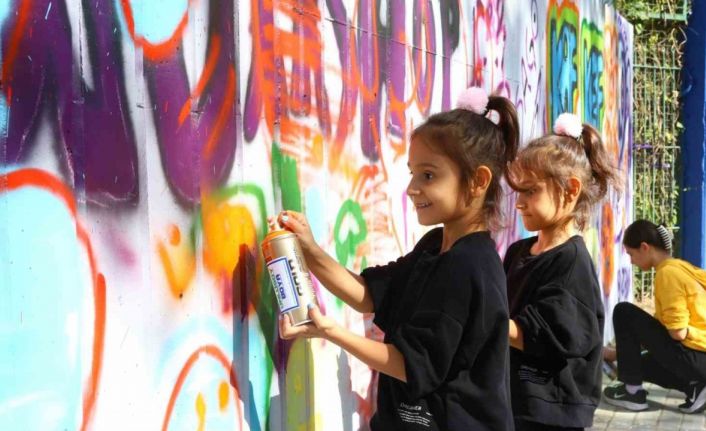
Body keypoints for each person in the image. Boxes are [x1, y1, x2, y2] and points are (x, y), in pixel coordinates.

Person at [275, 86, 519, 430]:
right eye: (412, 173)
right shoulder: (435, 246)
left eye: (428, 175)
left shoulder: (470, 266)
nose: (412, 189)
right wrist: (309, 250)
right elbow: (368, 295)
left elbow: (409, 363)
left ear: (478, 181)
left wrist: (330, 331)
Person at [503, 113, 618, 430]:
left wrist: (482, 318)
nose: (519, 203)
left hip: (551, 414)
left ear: (570, 189)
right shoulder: (517, 252)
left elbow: (546, 335)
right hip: (516, 403)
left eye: (530, 191)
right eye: (518, 191)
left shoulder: (571, 263)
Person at [602, 219, 706, 414]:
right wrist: (617, 354)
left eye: (631, 254)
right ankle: (696, 387)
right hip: (700, 357)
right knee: (639, 364)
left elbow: (677, 333)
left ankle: (632, 393)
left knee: (624, 312)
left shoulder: (667, 274)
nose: (631, 261)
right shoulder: (680, 267)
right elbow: (657, 331)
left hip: (699, 356)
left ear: (644, 247)